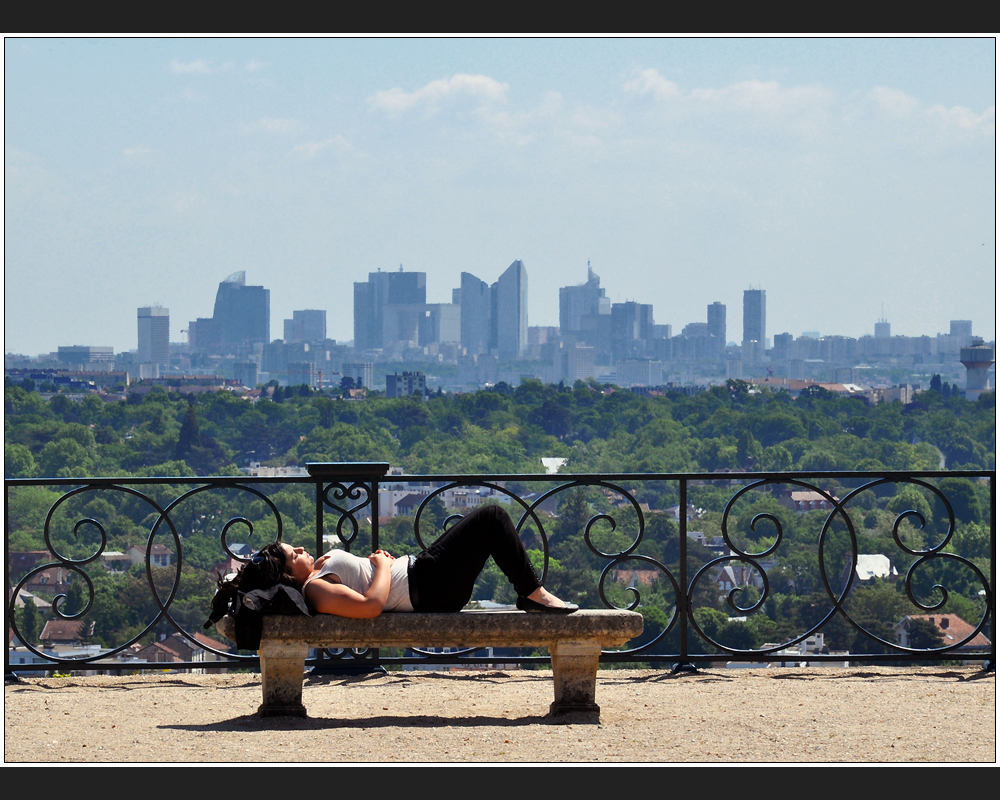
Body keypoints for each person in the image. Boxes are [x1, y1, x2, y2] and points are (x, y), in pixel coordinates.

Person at [212, 504, 577, 620]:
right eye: (297, 555)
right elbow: (371, 606)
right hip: (428, 585)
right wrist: (382, 566)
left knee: (489, 523)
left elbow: (359, 583)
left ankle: (532, 592)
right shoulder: (317, 589)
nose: (303, 550)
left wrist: (362, 563)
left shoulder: (319, 574)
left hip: (425, 576)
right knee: (491, 518)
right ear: (290, 573)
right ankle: (533, 593)